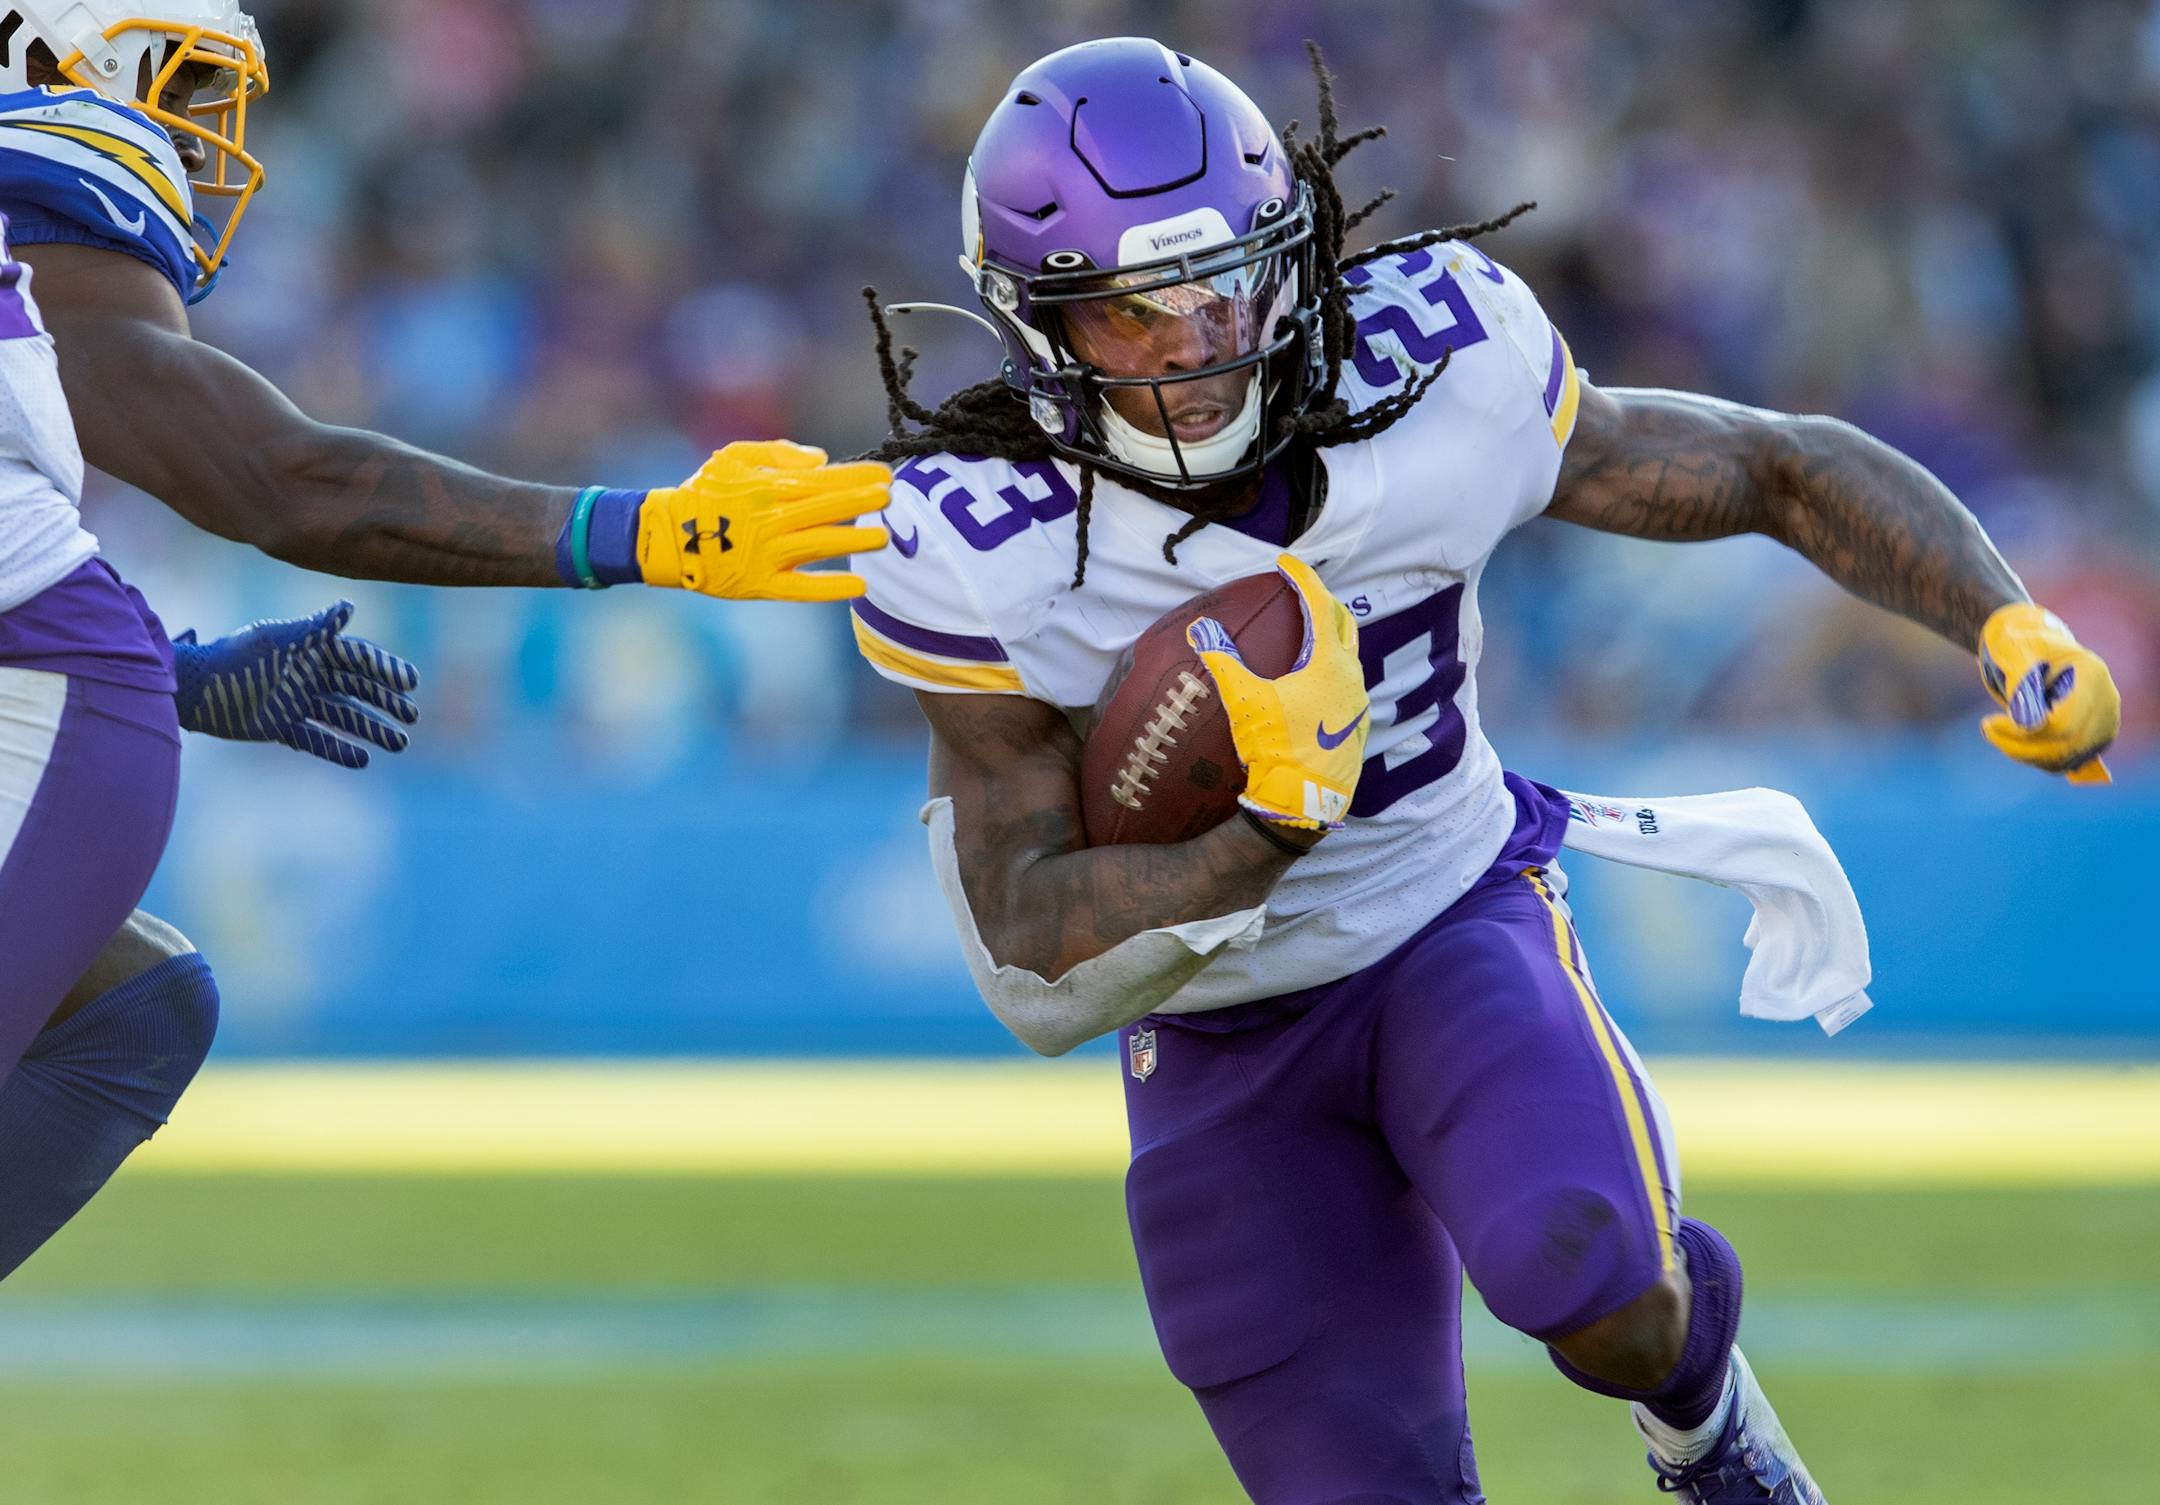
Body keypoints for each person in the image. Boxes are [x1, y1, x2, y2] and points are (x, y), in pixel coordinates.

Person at [847, 38, 2119, 1505]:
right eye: (1131, 313)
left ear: (1296, 254)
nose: (1195, 343)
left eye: (1225, 283)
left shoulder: (1442, 369)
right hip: (1220, 1035)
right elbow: (1026, 945)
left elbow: (1769, 465)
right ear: (1039, 326)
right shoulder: (983, 551)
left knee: (1602, 1282)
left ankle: (1711, 1426)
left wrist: (2001, 617)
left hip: (1454, 912)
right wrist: (1255, 835)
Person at [0, 0, 888, 1279]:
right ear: (47, 70)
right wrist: (652, 532)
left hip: (56, 685)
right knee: (134, 1012)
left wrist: (169, 671)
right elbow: (288, 482)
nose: (203, 143)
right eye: (183, 91)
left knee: (135, 1012)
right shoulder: (39, 225)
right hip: (59, 703)